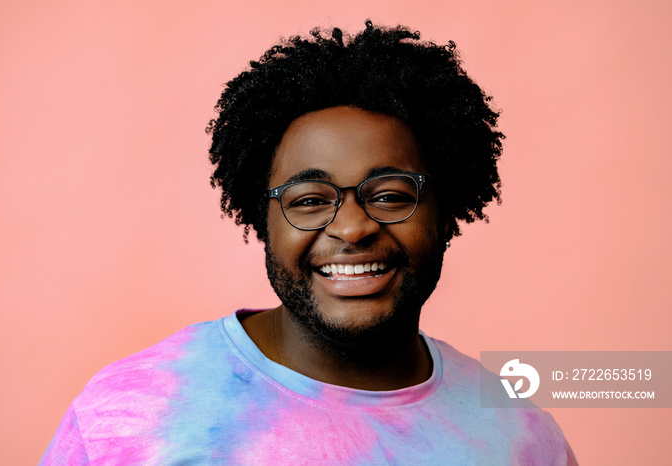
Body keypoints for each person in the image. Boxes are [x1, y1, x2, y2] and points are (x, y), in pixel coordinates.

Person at [41, 21, 577, 465]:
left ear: (448, 212)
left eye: (390, 195)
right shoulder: (129, 416)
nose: (351, 228)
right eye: (309, 200)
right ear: (262, 218)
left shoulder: (521, 438)